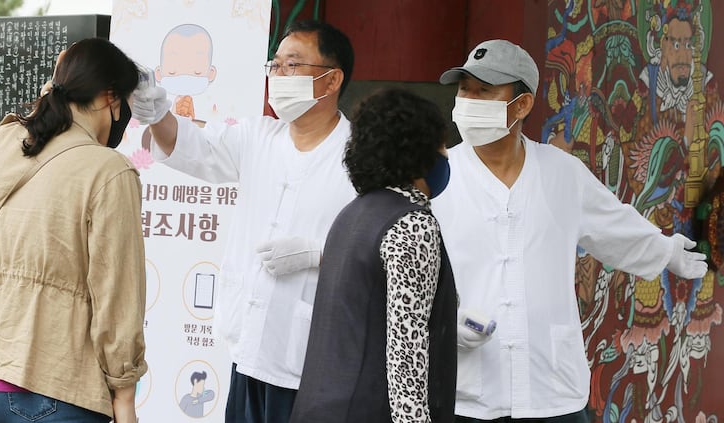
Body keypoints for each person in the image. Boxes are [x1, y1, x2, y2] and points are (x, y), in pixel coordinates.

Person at [432, 39, 708, 422]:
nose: (469, 100)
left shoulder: (561, 172)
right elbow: (407, 269)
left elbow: (614, 225)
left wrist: (666, 252)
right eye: (465, 90)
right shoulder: (436, 175)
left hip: (552, 391)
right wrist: (443, 320)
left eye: (484, 91)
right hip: (467, 393)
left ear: (522, 104)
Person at [132, 19, 356, 423]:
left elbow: (387, 242)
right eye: (276, 66)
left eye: (293, 65)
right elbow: (192, 145)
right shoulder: (259, 136)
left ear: (331, 79)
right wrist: (156, 112)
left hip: (314, 360)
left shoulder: (361, 155)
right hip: (247, 349)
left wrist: (321, 255)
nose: (279, 76)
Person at [0, 38, 147, 423]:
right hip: (56, 390)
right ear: (112, 99)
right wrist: (124, 398)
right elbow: (118, 297)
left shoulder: (8, 145)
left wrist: (60, 82)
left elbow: (44, 112)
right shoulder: (109, 170)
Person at [289, 88, 458, 423]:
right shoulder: (412, 223)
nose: (447, 155)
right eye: (441, 144)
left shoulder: (351, 215)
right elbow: (406, 351)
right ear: (419, 151)